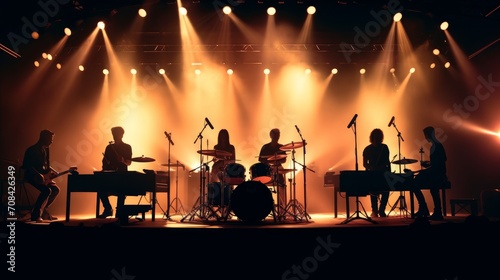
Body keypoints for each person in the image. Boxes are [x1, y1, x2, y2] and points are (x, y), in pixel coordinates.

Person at [22, 129, 60, 222]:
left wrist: (51, 171)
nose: (51, 141)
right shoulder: (32, 150)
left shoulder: (46, 149)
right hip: (31, 175)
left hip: (41, 175)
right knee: (46, 190)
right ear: (44, 138)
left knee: (55, 190)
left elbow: (46, 165)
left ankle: (41, 211)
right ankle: (36, 215)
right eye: (50, 139)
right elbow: (27, 165)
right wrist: (38, 174)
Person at [412, 126, 448, 221]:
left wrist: (425, 169)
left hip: (437, 175)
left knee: (415, 184)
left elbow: (437, 165)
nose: (425, 137)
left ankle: (424, 208)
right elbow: (440, 161)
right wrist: (428, 165)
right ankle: (436, 211)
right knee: (432, 190)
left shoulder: (435, 146)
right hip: (438, 173)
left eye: (425, 135)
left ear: (427, 135)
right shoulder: (438, 145)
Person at [98, 126, 132, 218]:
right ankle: (108, 209)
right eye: (113, 134)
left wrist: (123, 161)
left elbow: (129, 163)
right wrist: (104, 170)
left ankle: (119, 211)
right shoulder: (109, 147)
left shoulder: (127, 147)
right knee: (100, 189)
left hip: (122, 176)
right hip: (110, 176)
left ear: (122, 135)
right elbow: (104, 161)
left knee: (122, 191)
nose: (114, 136)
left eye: (116, 134)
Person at [362, 128, 391, 218]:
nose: (376, 139)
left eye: (377, 137)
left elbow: (387, 162)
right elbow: (365, 164)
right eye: (375, 137)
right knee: (374, 191)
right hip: (373, 173)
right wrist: (371, 167)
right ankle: (376, 210)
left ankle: (380, 209)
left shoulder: (384, 147)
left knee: (384, 190)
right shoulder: (368, 149)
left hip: (381, 173)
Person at [258, 128, 287, 214]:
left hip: (278, 167)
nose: (277, 136)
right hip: (267, 169)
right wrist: (270, 162)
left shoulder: (281, 147)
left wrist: (277, 161)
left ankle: (282, 208)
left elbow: (284, 160)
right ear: (271, 135)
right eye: (276, 134)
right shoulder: (265, 147)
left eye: (278, 134)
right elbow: (260, 159)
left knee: (282, 184)